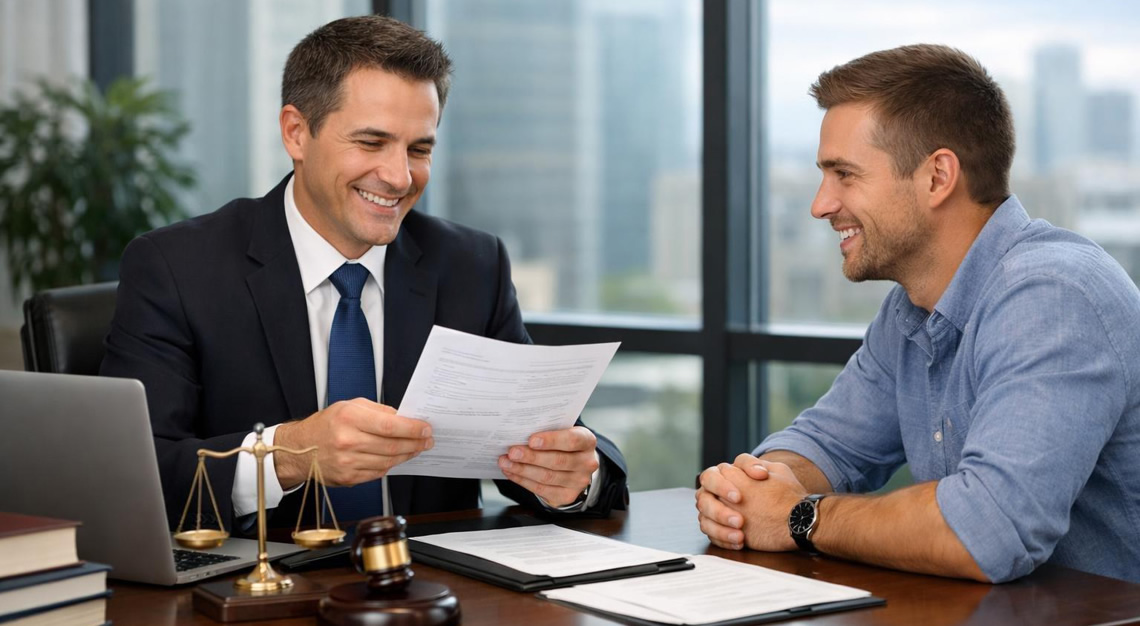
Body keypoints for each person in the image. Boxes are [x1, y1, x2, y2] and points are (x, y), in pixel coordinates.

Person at [100, 15, 628, 532]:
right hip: (254, 601)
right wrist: (286, 456)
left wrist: (572, 478)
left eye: (419, 149)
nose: (399, 177)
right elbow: (132, 476)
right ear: (296, 133)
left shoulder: (472, 265)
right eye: (371, 143)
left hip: (425, 597)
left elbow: (560, 447)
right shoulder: (176, 268)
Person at [696, 44, 1140, 584]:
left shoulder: (1053, 296)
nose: (821, 204)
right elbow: (828, 444)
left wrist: (799, 516)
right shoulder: (911, 309)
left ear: (937, 177)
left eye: (845, 175)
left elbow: (991, 531)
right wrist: (751, 490)